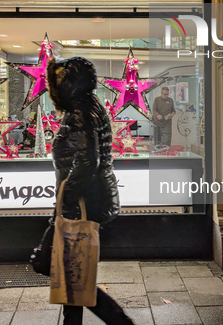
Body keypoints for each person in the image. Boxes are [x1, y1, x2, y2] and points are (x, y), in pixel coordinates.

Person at [46, 57, 134, 325]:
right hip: (92, 198)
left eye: (60, 81)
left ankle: (122, 322)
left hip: (82, 203)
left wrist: (65, 203)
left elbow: (87, 162)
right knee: (74, 272)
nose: (56, 86)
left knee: (72, 273)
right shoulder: (90, 105)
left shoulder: (79, 112)